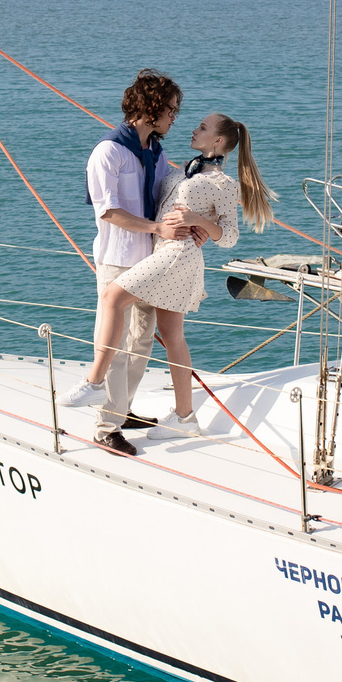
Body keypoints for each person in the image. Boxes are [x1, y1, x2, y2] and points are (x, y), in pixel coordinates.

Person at [109, 113, 273, 438]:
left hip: (179, 258)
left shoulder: (222, 184)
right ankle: (184, 418)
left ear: (218, 141)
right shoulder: (183, 169)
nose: (193, 130)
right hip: (160, 250)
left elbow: (228, 237)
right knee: (172, 338)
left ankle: (96, 382)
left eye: (202, 128)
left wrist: (200, 220)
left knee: (113, 296)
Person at [81, 70, 207, 456]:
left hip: (152, 262)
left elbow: (169, 191)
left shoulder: (154, 151)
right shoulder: (109, 152)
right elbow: (108, 212)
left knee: (140, 344)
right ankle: (106, 427)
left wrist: (197, 224)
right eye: (170, 109)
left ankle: (121, 409)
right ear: (150, 107)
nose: (174, 117)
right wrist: (157, 227)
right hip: (119, 260)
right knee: (117, 344)